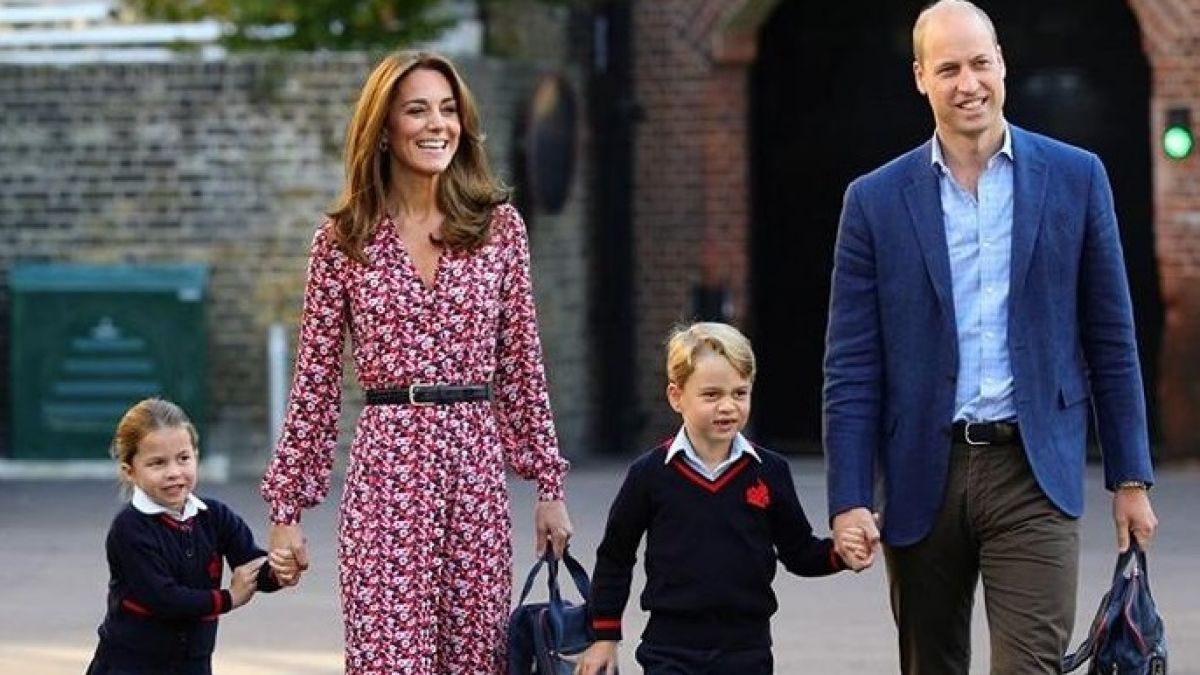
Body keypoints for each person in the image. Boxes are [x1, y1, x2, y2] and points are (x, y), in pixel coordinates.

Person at [822, 1, 1160, 672]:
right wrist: (850, 497)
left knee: (1030, 663)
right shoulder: (874, 201)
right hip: (923, 469)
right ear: (921, 77)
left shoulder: (1076, 178)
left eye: (980, 63)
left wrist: (1130, 475)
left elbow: (1111, 337)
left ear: (1002, 63)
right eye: (948, 68)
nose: (967, 82)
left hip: (1033, 469)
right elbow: (852, 367)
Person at [260, 49, 574, 674]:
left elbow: (521, 368)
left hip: (474, 472)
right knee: (386, 663)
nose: (438, 124)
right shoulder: (343, 239)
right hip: (385, 472)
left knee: (477, 663)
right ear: (383, 128)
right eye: (417, 110)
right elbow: (315, 382)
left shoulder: (499, 229)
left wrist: (548, 485)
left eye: (449, 110)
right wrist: (285, 512)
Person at [576, 322, 869, 675]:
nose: (728, 406)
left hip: (747, 649)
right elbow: (615, 556)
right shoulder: (649, 475)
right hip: (669, 649)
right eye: (711, 395)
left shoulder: (770, 472)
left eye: (739, 393)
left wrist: (841, 553)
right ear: (676, 396)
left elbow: (800, 552)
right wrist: (604, 636)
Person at [86, 398, 280, 675]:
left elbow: (250, 563)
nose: (174, 473)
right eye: (157, 463)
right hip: (130, 665)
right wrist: (229, 598)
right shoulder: (129, 529)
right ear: (131, 471)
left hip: (193, 664)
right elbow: (165, 599)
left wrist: (278, 569)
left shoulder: (215, 516)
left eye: (183, 458)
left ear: (196, 456)